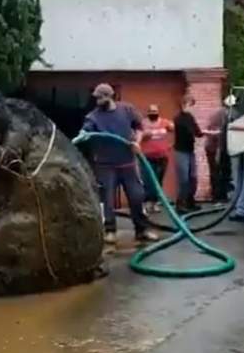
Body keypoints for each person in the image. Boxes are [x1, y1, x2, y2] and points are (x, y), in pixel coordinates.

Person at [81, 83, 159, 245]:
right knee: (107, 199)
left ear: (109, 96)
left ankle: (141, 230)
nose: (97, 101)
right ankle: (110, 231)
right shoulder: (93, 117)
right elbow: (87, 130)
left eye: (100, 98)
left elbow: (139, 128)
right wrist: (84, 134)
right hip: (105, 165)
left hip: (127, 163)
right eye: (96, 98)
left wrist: (137, 142)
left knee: (137, 196)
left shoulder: (127, 110)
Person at [140, 104, 174, 213]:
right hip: (147, 157)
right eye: (151, 111)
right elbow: (136, 135)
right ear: (148, 112)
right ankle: (146, 204)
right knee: (148, 180)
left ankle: (154, 204)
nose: (153, 113)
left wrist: (171, 145)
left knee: (158, 181)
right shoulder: (143, 123)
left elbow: (174, 129)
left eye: (155, 111)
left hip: (162, 157)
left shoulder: (164, 122)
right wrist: (144, 134)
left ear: (158, 112)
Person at [173, 96, 204, 212]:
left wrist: (204, 133)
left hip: (190, 151)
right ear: (184, 105)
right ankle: (180, 204)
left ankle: (190, 202)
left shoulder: (190, 118)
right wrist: (197, 132)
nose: (192, 108)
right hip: (181, 151)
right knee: (184, 179)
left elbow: (197, 132)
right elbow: (189, 130)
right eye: (191, 105)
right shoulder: (179, 119)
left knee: (193, 177)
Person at [205, 97, 232, 203]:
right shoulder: (225, 115)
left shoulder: (220, 114)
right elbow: (220, 134)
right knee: (219, 172)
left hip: (215, 147)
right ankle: (218, 197)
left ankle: (219, 196)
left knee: (218, 171)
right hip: (217, 147)